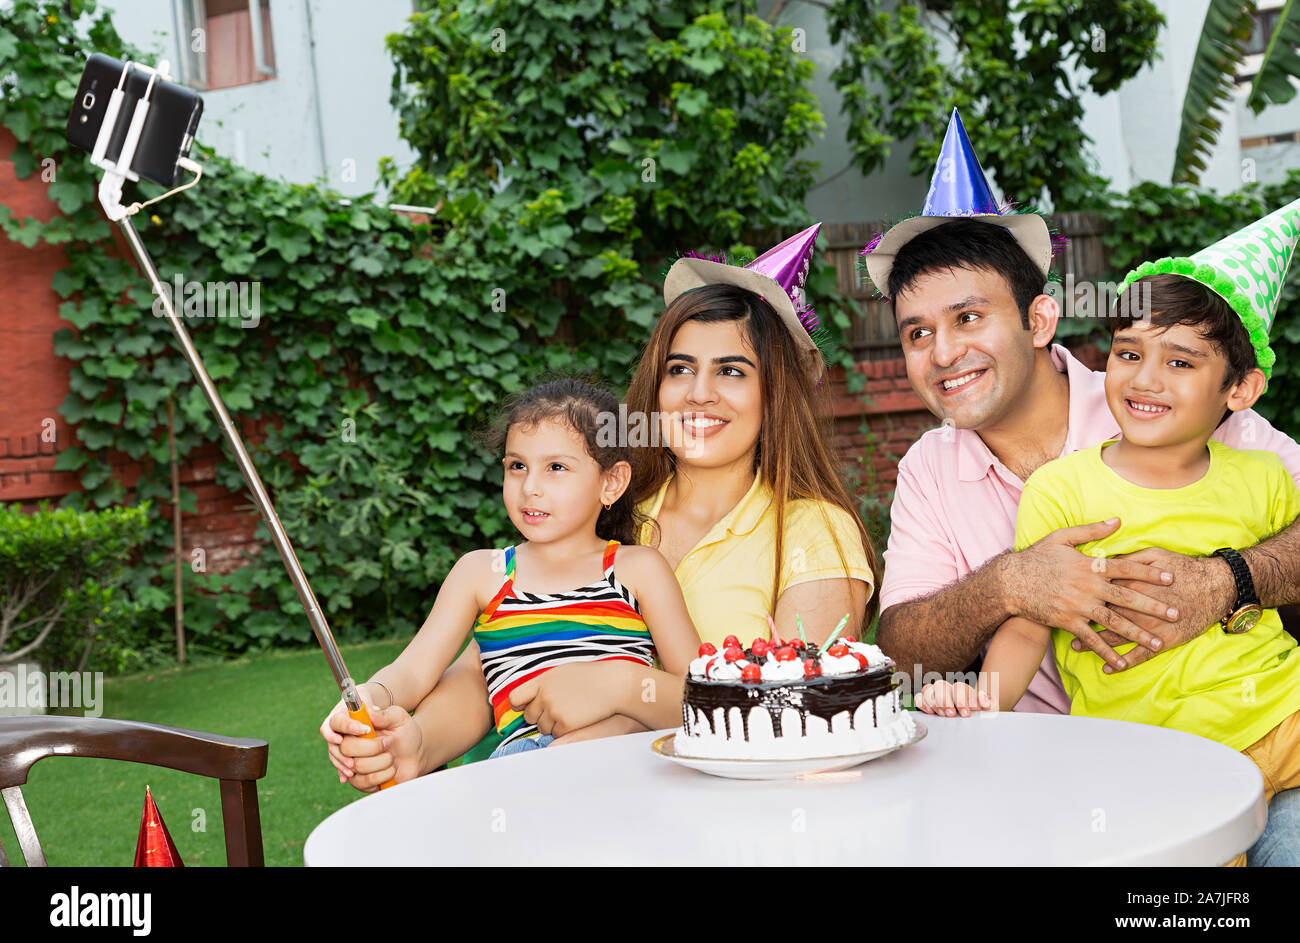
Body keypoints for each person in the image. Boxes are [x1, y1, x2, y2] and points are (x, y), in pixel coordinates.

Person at [862, 110, 1300, 865]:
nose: (943, 353)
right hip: (1064, 780)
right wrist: (1010, 583)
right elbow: (901, 650)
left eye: (969, 317)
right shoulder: (930, 467)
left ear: (1039, 319)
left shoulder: (1157, 401)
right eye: (917, 332)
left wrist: (1228, 578)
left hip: (1255, 734)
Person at [321, 223, 880, 785]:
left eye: (732, 371)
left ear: (775, 392)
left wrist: (620, 685)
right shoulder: (605, 510)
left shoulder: (811, 530)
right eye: (679, 368)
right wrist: (414, 744)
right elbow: (491, 664)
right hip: (552, 792)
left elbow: (806, 715)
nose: (698, 393)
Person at [318, 377, 700, 759]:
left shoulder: (639, 568)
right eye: (517, 465)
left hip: (627, 756)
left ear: (611, 482)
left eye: (556, 467)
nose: (530, 486)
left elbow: (701, 697)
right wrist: (371, 695)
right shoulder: (482, 573)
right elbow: (414, 671)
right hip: (523, 762)